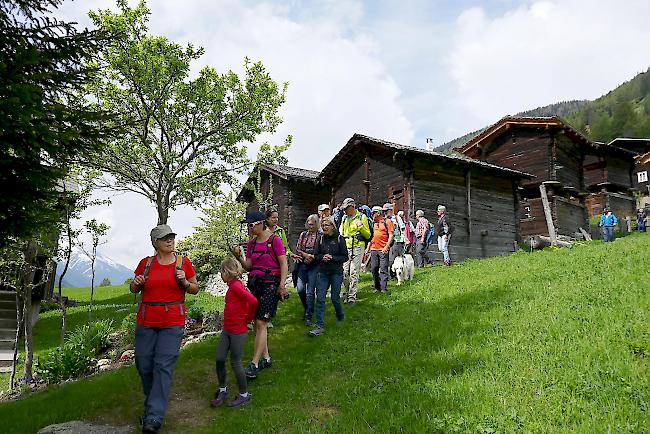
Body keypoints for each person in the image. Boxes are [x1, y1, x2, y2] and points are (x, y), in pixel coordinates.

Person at [130, 224, 199, 434]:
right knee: (144, 365)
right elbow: (133, 288)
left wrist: (185, 282)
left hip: (172, 323)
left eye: (171, 237)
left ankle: (153, 417)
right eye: (164, 238)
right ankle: (153, 404)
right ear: (155, 243)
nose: (170, 240)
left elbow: (195, 288)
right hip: (146, 321)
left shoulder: (183, 263)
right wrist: (137, 282)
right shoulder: (146, 263)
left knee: (163, 366)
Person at [233, 211, 288, 379]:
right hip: (255, 283)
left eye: (250, 225)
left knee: (261, 322)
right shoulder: (251, 244)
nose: (249, 228)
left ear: (259, 223)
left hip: (270, 284)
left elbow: (283, 262)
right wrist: (239, 257)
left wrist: (282, 285)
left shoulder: (274, 240)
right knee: (257, 324)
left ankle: (254, 364)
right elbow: (249, 266)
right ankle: (266, 358)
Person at [210, 257, 257, 408]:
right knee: (219, 358)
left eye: (222, 271)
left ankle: (244, 395)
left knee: (235, 362)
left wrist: (248, 318)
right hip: (227, 330)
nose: (221, 274)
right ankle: (223, 389)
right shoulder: (233, 286)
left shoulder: (236, 286)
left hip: (238, 331)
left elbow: (253, 301)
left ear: (226, 271)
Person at [309, 217, 348, 336]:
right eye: (323, 225)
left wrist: (333, 258)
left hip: (336, 272)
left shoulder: (340, 239)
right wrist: (322, 257)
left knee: (335, 298)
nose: (324, 227)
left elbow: (345, 257)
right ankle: (319, 325)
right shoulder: (320, 239)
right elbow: (316, 255)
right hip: (323, 272)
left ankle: (340, 316)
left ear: (333, 226)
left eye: (327, 225)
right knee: (320, 298)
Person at [338, 197, 371, 305]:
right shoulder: (344, 218)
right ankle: (347, 292)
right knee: (344, 272)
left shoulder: (362, 217)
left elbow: (368, 235)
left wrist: (361, 227)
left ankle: (352, 297)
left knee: (353, 272)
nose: (345, 211)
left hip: (357, 247)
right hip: (345, 247)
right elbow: (341, 233)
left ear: (352, 207)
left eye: (346, 208)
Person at [265, 208, 291, 328]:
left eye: (277, 217)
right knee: (265, 290)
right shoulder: (263, 231)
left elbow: (285, 247)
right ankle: (261, 315)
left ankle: (270, 316)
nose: (275, 220)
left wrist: (288, 256)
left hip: (278, 264)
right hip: (266, 264)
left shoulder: (280, 231)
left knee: (275, 290)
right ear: (267, 219)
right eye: (273, 217)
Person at [294, 214, 320, 325]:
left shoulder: (320, 235)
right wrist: (305, 255)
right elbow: (298, 249)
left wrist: (312, 257)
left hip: (315, 265)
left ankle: (309, 315)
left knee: (310, 291)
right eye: (309, 224)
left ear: (316, 224)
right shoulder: (303, 235)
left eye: (312, 225)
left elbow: (322, 249)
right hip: (303, 264)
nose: (310, 227)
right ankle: (306, 308)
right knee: (300, 289)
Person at [365, 206, 394, 293]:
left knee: (383, 268)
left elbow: (391, 235)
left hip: (383, 249)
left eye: (373, 213)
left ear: (378, 213)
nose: (372, 215)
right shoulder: (373, 224)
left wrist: (387, 246)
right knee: (374, 268)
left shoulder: (387, 222)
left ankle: (383, 288)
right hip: (374, 249)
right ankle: (377, 287)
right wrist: (368, 248)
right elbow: (372, 237)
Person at [384, 203, 405, 278]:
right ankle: (389, 274)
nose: (386, 212)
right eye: (385, 211)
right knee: (387, 258)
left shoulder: (397, 218)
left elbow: (402, 228)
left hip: (396, 240)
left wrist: (405, 239)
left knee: (394, 258)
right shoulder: (384, 219)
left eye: (387, 210)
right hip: (385, 241)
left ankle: (396, 274)